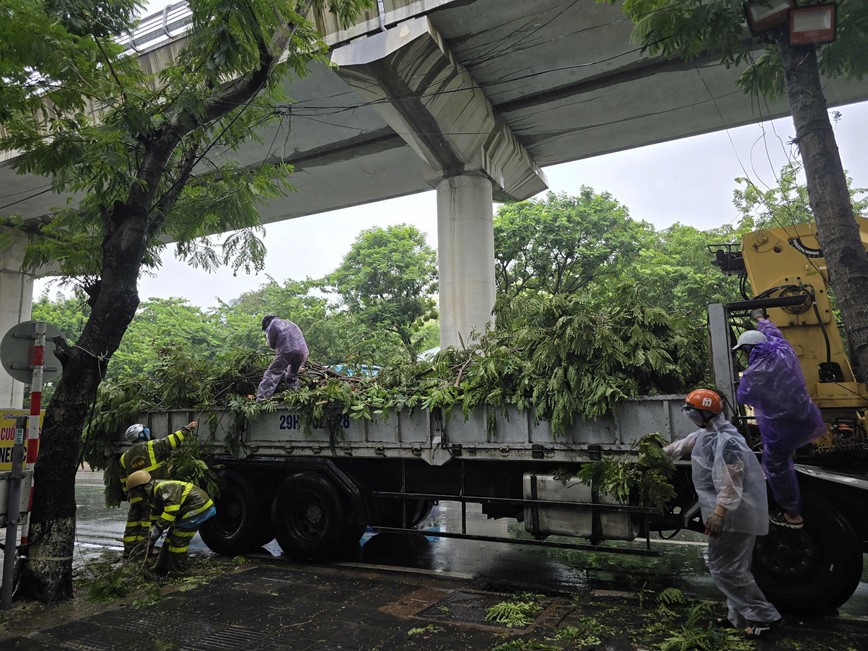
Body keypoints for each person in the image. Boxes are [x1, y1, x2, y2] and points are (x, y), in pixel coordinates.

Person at [664, 389, 782, 638]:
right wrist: (651, 455)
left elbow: (731, 482)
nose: (689, 415)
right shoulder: (707, 434)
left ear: (706, 414)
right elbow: (679, 447)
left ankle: (764, 618)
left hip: (732, 513)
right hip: (727, 511)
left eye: (692, 411)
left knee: (724, 568)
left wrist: (719, 513)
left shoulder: (728, 441)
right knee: (736, 566)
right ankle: (738, 618)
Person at [733, 316, 826, 529]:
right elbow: (775, 333)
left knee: (775, 464)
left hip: (782, 428)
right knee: (786, 453)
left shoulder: (754, 373)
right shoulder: (784, 351)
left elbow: (742, 397)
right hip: (806, 418)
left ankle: (792, 515)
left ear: (748, 349)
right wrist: (762, 320)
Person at [119, 420, 198, 558]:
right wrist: (188, 428)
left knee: (132, 522)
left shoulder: (124, 457)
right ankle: (144, 550)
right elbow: (170, 441)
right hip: (150, 493)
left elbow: (123, 478)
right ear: (141, 434)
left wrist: (128, 494)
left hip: (134, 495)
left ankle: (128, 551)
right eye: (145, 430)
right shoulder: (150, 447)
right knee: (147, 523)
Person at [126, 470, 216, 575]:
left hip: (197, 506)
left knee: (178, 540)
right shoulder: (153, 497)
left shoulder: (161, 489)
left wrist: (158, 529)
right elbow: (156, 518)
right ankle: (161, 568)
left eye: (136, 493)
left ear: (142, 489)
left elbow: (171, 510)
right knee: (169, 539)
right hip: (188, 509)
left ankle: (178, 572)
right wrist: (151, 539)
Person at [255, 314, 309, 400]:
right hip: (303, 352)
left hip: (287, 351)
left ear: (266, 322)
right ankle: (297, 395)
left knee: (272, 373)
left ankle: (262, 399)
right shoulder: (290, 323)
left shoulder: (272, 324)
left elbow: (272, 344)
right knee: (292, 375)